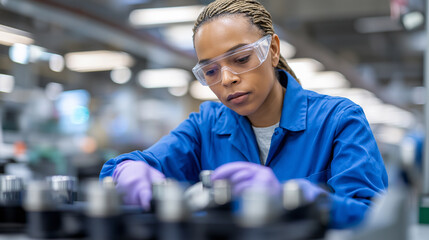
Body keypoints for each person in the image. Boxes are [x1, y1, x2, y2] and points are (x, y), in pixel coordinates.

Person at [100, 0, 388, 229]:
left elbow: (377, 220)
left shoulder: (338, 121)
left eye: (240, 59)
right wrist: (126, 171)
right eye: (210, 71)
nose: (226, 79)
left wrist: (295, 198)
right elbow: (122, 167)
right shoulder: (206, 126)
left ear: (272, 50)